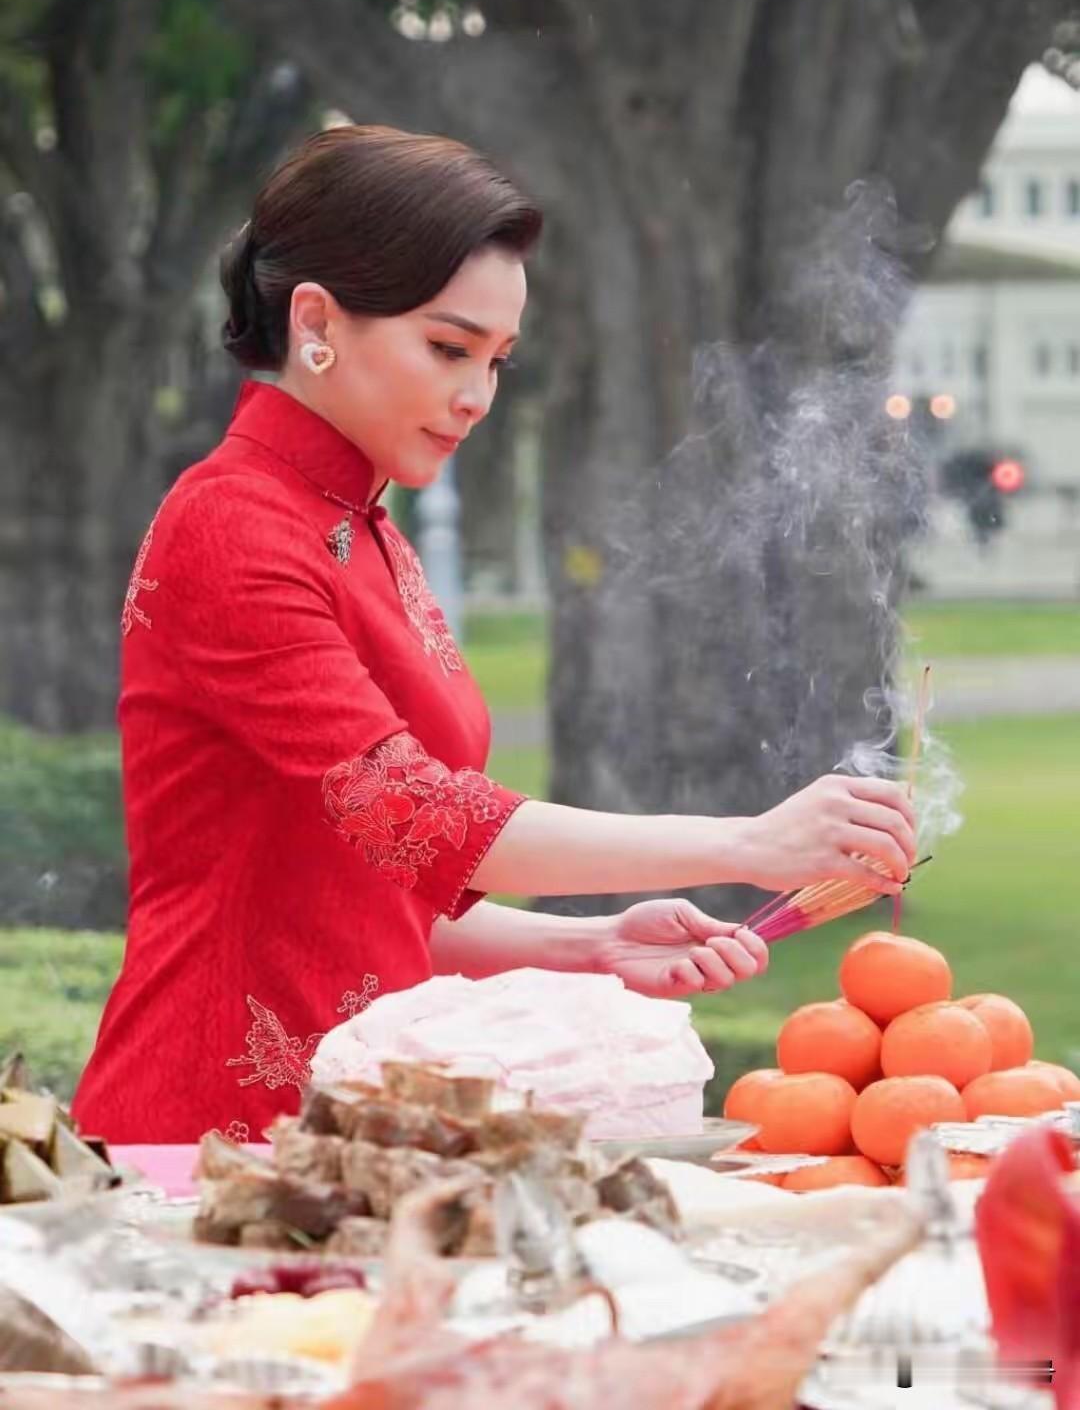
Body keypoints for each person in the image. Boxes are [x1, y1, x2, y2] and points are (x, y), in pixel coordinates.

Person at [73, 126, 917, 1145]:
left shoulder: (360, 527)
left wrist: (592, 944)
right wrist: (748, 842)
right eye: (448, 348)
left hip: (361, 1128)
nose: (477, 395)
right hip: (207, 1131)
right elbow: (413, 812)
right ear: (314, 322)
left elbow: (373, 895)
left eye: (498, 360)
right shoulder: (232, 525)